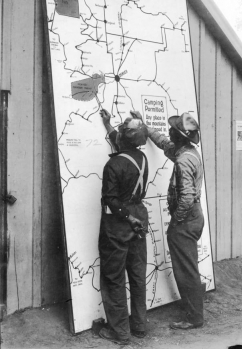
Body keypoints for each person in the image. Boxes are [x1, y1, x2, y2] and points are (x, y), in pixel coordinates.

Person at [131, 110, 204, 330]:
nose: (169, 131)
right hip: (193, 217)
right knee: (188, 266)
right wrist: (145, 125)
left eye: (173, 130)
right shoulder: (187, 151)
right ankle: (195, 312)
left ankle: (194, 318)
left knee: (186, 269)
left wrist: (176, 222)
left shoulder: (183, 160)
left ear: (181, 136)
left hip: (186, 219)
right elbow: (163, 143)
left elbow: (187, 198)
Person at [98, 109, 149, 345]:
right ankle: (139, 326)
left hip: (120, 223)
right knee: (137, 274)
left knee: (114, 277)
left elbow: (111, 198)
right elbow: (122, 143)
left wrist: (126, 217)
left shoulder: (114, 165)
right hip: (139, 216)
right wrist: (108, 125)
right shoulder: (142, 158)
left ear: (124, 138)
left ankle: (119, 332)